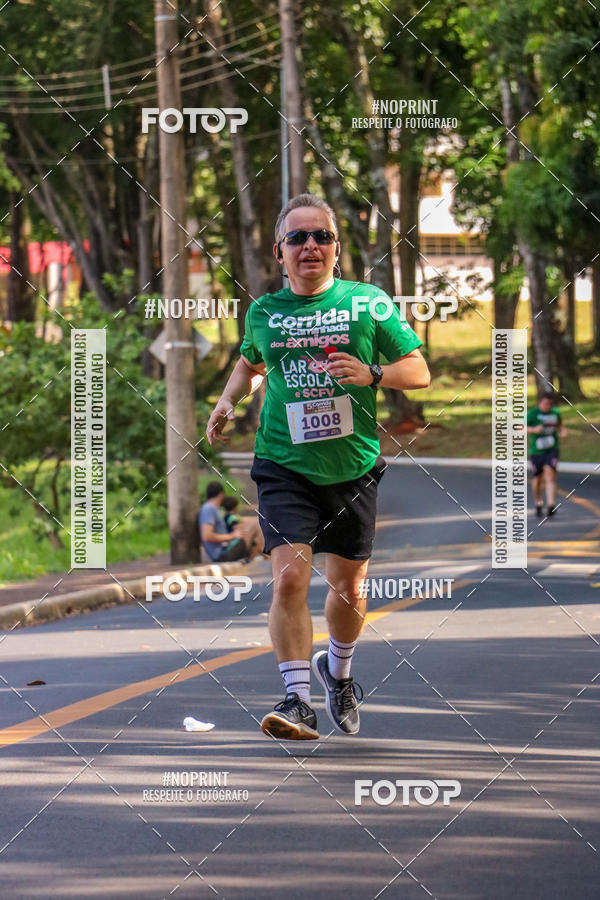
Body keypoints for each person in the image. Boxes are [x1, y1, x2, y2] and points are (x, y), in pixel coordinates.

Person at [206, 193, 430, 741]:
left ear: (336, 249)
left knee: (351, 589)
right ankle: (296, 699)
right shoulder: (264, 312)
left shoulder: (368, 303)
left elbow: (419, 371)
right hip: (283, 463)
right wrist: (228, 400)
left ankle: (340, 669)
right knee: (289, 580)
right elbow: (251, 363)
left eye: (321, 237)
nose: (310, 246)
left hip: (353, 467)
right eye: (298, 238)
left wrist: (373, 373)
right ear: (280, 252)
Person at [527, 393, 567, 517]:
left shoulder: (555, 413)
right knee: (537, 479)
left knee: (550, 475)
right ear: (540, 403)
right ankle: (538, 502)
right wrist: (534, 430)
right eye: (545, 404)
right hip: (536, 451)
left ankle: (551, 505)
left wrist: (563, 431)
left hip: (552, 449)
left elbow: (560, 425)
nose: (547, 406)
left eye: (550, 404)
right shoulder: (532, 414)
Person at [199, 482, 248, 562]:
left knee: (245, 535)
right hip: (220, 554)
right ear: (221, 494)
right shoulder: (208, 508)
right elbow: (207, 536)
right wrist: (232, 536)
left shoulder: (213, 509)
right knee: (249, 533)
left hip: (224, 549)